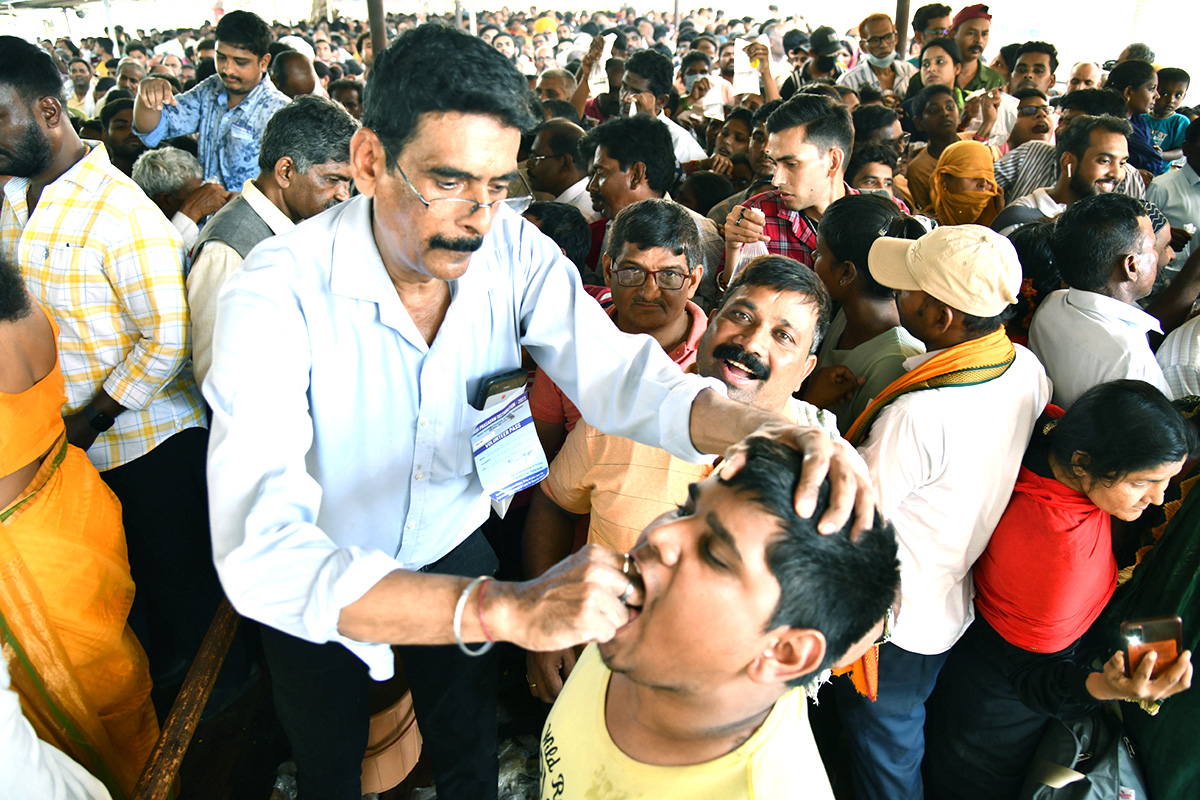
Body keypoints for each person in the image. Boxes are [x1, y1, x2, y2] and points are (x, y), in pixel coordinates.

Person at [204, 26, 874, 800]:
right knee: (328, 761)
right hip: (326, 570)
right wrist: (499, 608)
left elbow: (625, 377)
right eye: (449, 181)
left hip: (450, 537)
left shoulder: (511, 251)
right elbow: (263, 554)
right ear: (368, 160)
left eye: (497, 186)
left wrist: (766, 424)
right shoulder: (273, 293)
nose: (477, 218)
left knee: (469, 749)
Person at [0, 35, 224, 702]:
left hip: (143, 448)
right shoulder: (10, 198)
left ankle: (221, 744)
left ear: (47, 112)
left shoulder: (121, 211)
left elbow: (167, 340)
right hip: (59, 455)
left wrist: (92, 418)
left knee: (186, 612)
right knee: (118, 616)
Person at [538, 435, 901, 800]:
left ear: (784, 653)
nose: (660, 534)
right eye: (685, 510)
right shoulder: (633, 624)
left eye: (714, 553)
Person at [837, 224, 1051, 800]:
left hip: (898, 622)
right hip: (951, 596)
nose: (894, 297)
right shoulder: (1023, 367)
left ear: (940, 320)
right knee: (898, 736)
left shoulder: (919, 413)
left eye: (907, 290)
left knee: (884, 750)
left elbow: (854, 513)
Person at [924, 380, 1195, 800]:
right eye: (1145, 481)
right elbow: (1036, 679)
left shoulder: (1049, 430)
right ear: (1084, 462)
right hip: (996, 715)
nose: (1158, 499)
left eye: (1166, 481)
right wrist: (1110, 687)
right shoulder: (1059, 562)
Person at [0, 252, 158, 799]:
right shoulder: (25, 309)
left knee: (70, 690)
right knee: (109, 661)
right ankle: (152, 772)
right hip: (70, 502)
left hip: (26, 549)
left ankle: (123, 781)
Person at [188, 95, 356, 387]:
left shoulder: (303, 224)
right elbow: (218, 376)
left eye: (347, 182)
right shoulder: (228, 251)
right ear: (286, 171)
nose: (343, 194)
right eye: (332, 179)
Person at [1028, 193, 1171, 407]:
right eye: (1153, 247)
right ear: (1131, 266)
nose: (1159, 256)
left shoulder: (1051, 305)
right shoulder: (1127, 358)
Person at [133, 10, 290, 191]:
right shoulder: (210, 90)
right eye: (221, 57)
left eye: (240, 62)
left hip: (248, 217)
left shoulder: (279, 113)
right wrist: (147, 94)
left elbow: (286, 187)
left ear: (263, 62)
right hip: (208, 216)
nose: (228, 69)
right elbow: (152, 128)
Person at [807, 195, 925, 433]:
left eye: (819, 253)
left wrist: (809, 403)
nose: (812, 258)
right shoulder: (845, 312)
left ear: (846, 273)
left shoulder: (893, 363)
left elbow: (854, 452)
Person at [580, 115, 723, 308]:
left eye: (602, 173)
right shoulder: (614, 224)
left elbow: (713, 306)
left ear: (637, 174)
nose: (592, 186)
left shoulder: (700, 233)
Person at [722, 93, 855, 279]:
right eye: (775, 163)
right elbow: (728, 302)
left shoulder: (884, 220)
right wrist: (734, 249)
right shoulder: (755, 219)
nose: (776, 180)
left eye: (791, 164)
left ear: (833, 161)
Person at [994, 88, 1146, 202]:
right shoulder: (1031, 152)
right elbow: (981, 187)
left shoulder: (1126, 178)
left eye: (1074, 124)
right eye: (1062, 121)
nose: (1060, 130)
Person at [992, 114, 1132, 236]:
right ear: (1067, 162)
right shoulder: (1020, 223)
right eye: (1105, 161)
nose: (1117, 174)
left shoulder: (1111, 221)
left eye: (1121, 163)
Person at [620, 49, 706, 163]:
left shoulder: (680, 144)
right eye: (624, 87)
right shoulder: (616, 130)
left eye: (635, 93)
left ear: (661, 101)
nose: (624, 98)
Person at [1146, 117, 1200, 265]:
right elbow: (1138, 239)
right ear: (1187, 148)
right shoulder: (1162, 188)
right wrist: (1165, 238)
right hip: (1171, 281)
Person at [902, 84, 963, 211]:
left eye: (950, 107)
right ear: (919, 123)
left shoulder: (975, 147)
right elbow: (927, 212)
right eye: (934, 110)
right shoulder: (918, 170)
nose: (945, 113)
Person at [526, 118, 599, 222]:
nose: (528, 164)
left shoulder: (580, 217)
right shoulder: (568, 205)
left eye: (536, 158)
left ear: (565, 162)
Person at [1106, 59, 1165, 175]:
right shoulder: (1112, 127)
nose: (1157, 96)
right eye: (1151, 89)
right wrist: (1133, 173)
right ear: (1128, 92)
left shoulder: (1139, 122)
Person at [837, 14, 918, 96]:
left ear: (896, 38)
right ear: (863, 46)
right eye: (875, 40)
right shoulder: (849, 81)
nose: (883, 45)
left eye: (888, 36)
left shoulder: (910, 72)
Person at [927, 139, 1004, 224]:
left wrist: (1001, 219)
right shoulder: (927, 227)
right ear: (944, 180)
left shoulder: (997, 218)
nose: (983, 184)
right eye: (974, 177)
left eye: (989, 178)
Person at [778, 26, 845, 99]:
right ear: (812, 53)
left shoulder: (843, 77)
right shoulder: (794, 82)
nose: (832, 57)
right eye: (827, 54)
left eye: (835, 53)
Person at [1146, 67, 1191, 166]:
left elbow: (1180, 151)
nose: (1171, 100)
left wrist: (1161, 155)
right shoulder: (1141, 116)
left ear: (1184, 96)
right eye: (1165, 94)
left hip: (1160, 173)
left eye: (1178, 95)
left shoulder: (1180, 121)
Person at [98, 98, 144, 175]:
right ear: (105, 135)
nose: (132, 132)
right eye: (121, 127)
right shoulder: (98, 177)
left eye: (137, 126)